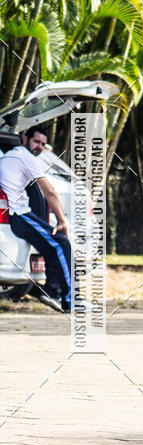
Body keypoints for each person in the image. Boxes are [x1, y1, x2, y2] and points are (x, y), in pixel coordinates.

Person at [0, 125, 71, 312]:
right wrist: (62, 221)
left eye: (43, 144)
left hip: (21, 214)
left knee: (54, 246)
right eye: (36, 141)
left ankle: (51, 292)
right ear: (25, 139)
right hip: (20, 216)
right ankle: (69, 300)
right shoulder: (25, 157)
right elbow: (49, 191)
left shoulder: (9, 155)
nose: (39, 146)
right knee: (61, 244)